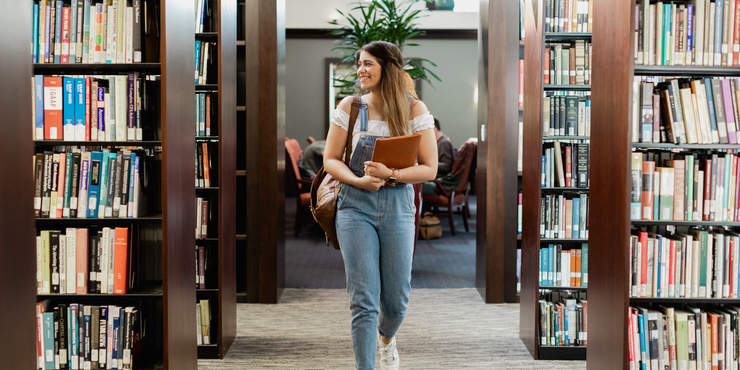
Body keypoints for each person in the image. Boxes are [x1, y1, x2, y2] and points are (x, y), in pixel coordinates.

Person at [323, 41, 438, 370]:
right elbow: (331, 159)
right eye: (359, 63)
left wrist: (393, 174)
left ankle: (386, 339)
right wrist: (357, 181)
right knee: (363, 299)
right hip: (354, 206)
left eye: (369, 63)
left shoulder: (414, 109)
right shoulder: (350, 106)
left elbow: (429, 169)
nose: (361, 69)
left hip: (398, 205)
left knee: (397, 299)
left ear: (388, 67)